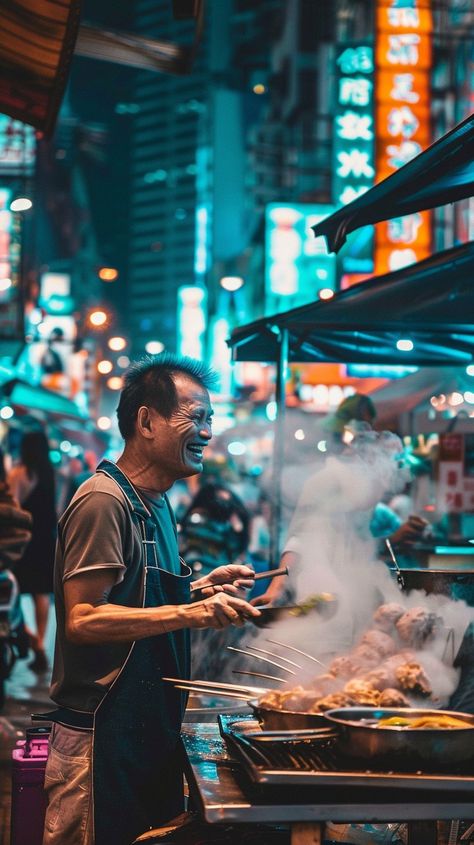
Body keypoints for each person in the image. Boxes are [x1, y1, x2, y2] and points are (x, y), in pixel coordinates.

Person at [42, 353, 260, 845]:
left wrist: (203, 587)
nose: (207, 432)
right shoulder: (104, 501)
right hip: (100, 741)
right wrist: (190, 610)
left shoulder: (155, 502)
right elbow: (82, 618)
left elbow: (134, 594)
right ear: (146, 421)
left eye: (211, 419)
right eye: (195, 417)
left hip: (147, 733)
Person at [8, 430, 57, 672]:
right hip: (46, 541)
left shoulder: (20, 473)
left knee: (12, 588)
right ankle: (39, 642)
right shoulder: (51, 474)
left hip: (22, 541)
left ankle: (26, 636)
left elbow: (10, 507)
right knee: (42, 594)